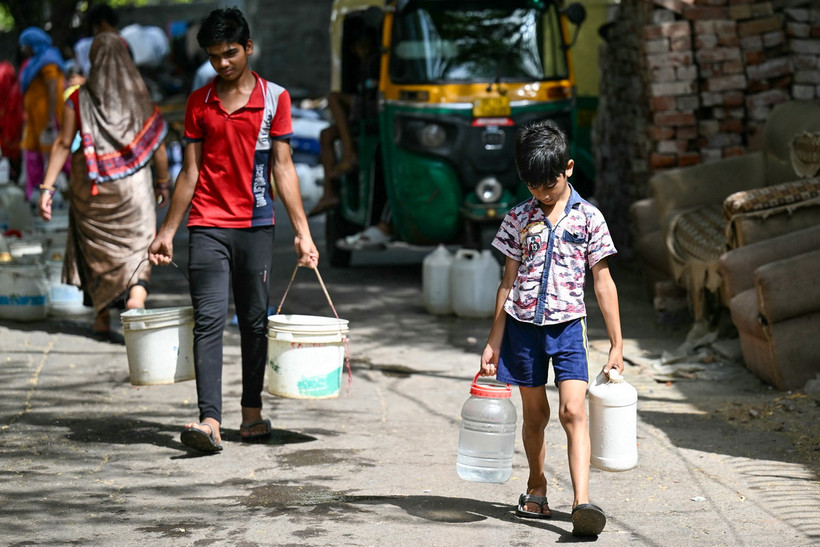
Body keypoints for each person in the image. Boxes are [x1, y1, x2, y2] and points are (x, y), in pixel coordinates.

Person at [147, 7, 319, 454]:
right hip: (206, 225)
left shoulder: (274, 99)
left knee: (255, 322)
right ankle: (210, 421)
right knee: (208, 322)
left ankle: (251, 412)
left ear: (247, 48)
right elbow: (190, 172)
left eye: (229, 53)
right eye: (213, 57)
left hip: (257, 226)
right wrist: (167, 231)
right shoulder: (198, 103)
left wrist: (302, 232)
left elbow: (283, 168)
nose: (222, 63)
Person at [479, 120, 623, 537]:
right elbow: (507, 282)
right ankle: (536, 487)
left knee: (573, 411)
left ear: (569, 169)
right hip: (523, 329)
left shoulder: (590, 219)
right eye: (533, 185)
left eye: (550, 183)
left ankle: (582, 503)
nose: (542, 192)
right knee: (536, 415)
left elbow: (603, 282)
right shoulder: (517, 218)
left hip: (568, 330)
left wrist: (617, 344)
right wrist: (494, 340)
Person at [37, 33, 170, 335]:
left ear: (92, 60)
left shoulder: (77, 98)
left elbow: (61, 144)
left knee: (96, 251)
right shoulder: (141, 96)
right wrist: (162, 183)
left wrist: (47, 188)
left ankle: (101, 317)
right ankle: (136, 298)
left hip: (91, 186)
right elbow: (157, 144)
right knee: (137, 248)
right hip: (134, 189)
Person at [18, 27, 65, 201]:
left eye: (25, 45)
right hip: (34, 119)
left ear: (33, 45)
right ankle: (36, 192)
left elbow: (54, 89)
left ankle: (53, 193)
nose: (23, 49)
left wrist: (50, 119)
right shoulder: (35, 61)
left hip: (46, 119)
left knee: (50, 156)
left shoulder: (48, 61)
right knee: (32, 153)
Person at [0, 61, 23, 180]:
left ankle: (12, 175)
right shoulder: (16, 89)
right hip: (11, 123)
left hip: (10, 122)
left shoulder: (14, 90)